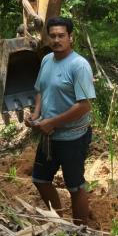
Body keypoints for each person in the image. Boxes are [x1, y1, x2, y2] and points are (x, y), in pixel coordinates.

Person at [26, 16, 96, 225]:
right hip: (50, 135)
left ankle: (81, 229)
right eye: (53, 36)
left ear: (70, 37)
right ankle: (57, 221)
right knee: (40, 179)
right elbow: (40, 90)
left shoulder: (79, 66)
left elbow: (84, 105)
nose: (56, 40)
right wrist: (36, 114)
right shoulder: (47, 60)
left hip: (73, 136)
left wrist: (53, 122)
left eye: (61, 36)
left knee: (75, 185)